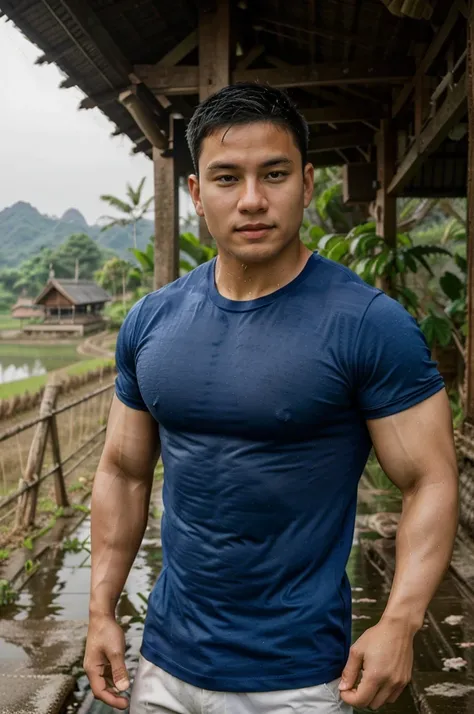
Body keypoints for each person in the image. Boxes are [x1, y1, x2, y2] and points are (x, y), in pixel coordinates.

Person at [84, 83, 459, 714]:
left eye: (275, 174)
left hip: (299, 681)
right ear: (198, 192)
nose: (253, 200)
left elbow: (431, 479)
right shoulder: (152, 320)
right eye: (227, 178)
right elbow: (121, 472)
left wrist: (401, 620)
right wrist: (100, 609)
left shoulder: (367, 323)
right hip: (164, 664)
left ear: (308, 183)